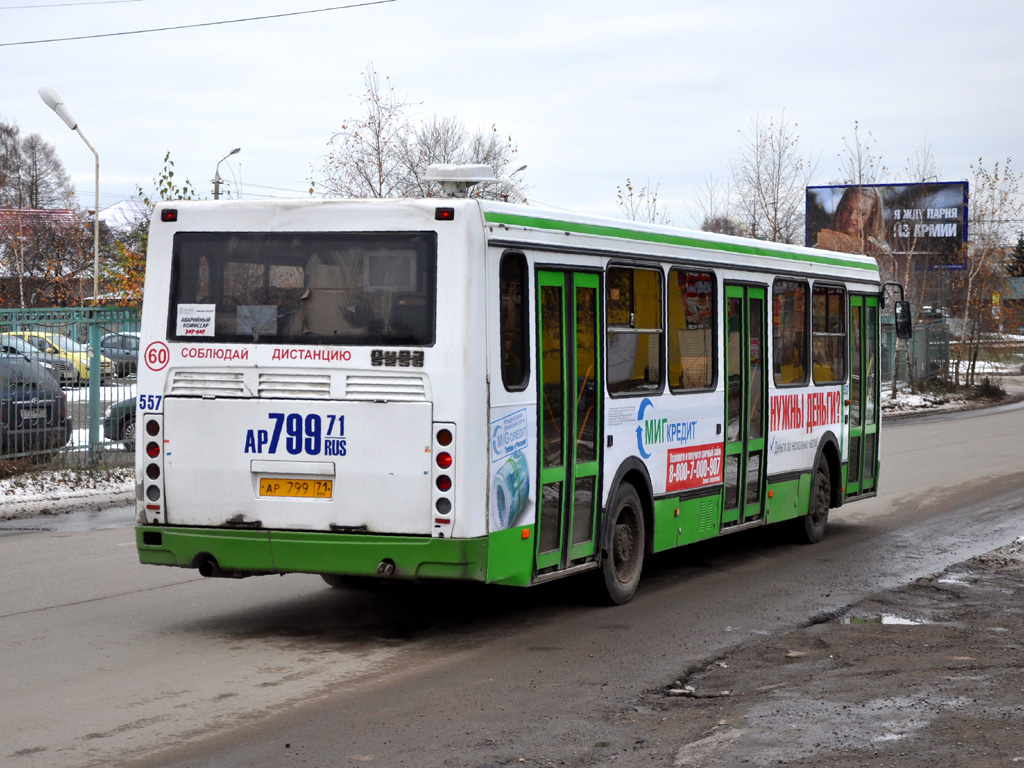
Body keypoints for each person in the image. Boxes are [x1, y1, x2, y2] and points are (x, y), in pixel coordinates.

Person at [815, 186, 886, 255]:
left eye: (861, 213)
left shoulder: (882, 252)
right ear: (841, 208)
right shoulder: (820, 248)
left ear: (872, 217)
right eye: (847, 209)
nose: (852, 217)